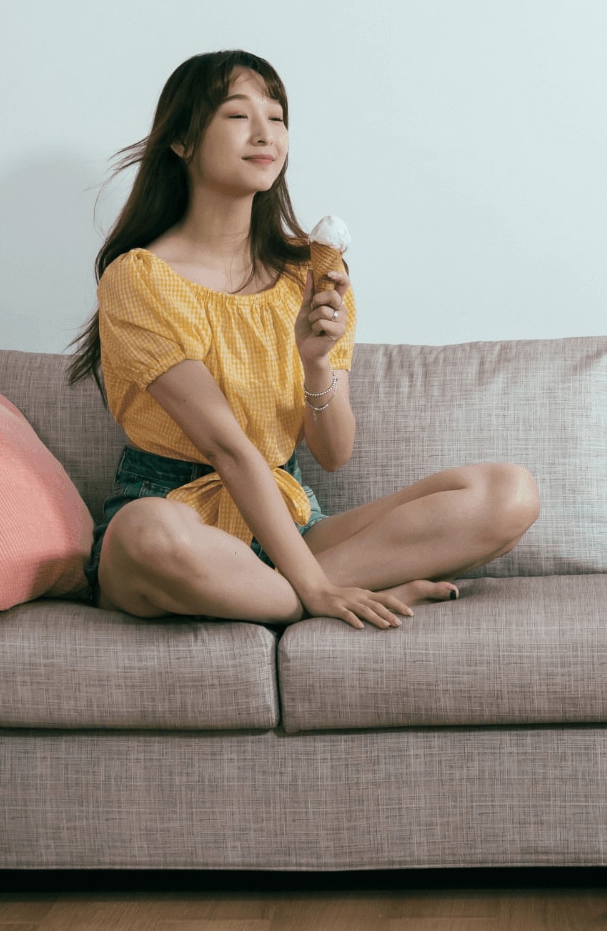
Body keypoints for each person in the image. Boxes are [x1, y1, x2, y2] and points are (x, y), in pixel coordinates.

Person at [67, 50, 540, 628]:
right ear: (183, 142)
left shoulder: (307, 276)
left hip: (291, 526)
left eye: (278, 116)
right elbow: (226, 448)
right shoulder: (138, 278)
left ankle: (269, 594)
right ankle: (313, 595)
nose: (266, 133)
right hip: (177, 517)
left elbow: (333, 455)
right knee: (145, 534)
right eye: (238, 116)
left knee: (508, 493)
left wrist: (317, 365)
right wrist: (315, 586)